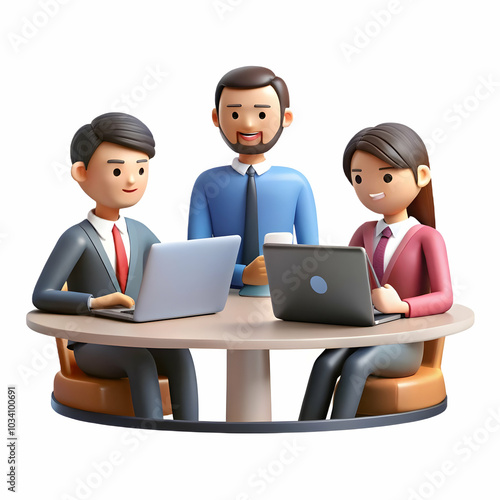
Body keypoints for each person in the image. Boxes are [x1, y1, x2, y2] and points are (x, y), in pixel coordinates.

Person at [33, 112, 198, 421]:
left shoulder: (142, 233)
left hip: (140, 336)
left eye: (141, 169)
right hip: (93, 346)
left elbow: (170, 276)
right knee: (139, 361)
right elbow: (42, 295)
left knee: (180, 355)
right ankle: (152, 435)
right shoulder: (77, 239)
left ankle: (191, 430)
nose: (132, 179)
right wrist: (94, 303)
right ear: (82, 172)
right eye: (118, 170)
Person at [299, 122, 453, 420]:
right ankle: (306, 429)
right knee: (326, 363)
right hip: (362, 333)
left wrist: (403, 306)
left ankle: (337, 435)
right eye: (358, 178)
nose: (371, 189)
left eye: (385, 176)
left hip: (403, 345)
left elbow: (444, 297)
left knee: (357, 365)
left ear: (421, 175)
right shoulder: (364, 232)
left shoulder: (427, 237)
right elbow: (341, 278)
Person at [188, 66, 318, 289]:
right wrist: (242, 274)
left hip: (282, 297)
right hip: (222, 299)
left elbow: (312, 258)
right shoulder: (207, 184)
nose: (248, 124)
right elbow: (196, 258)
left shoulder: (296, 184)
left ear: (286, 117)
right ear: (216, 117)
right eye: (235, 114)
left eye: (261, 114)